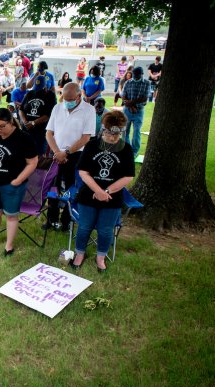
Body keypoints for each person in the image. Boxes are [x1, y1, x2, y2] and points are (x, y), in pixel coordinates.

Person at [70, 111, 135, 272]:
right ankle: (80, 253)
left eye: (116, 134)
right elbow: (83, 172)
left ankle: (100, 257)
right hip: (89, 194)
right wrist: (98, 191)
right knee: (84, 226)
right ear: (103, 129)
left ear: (122, 131)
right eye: (109, 133)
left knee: (105, 230)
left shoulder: (126, 149)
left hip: (112, 197)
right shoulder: (92, 145)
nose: (112, 137)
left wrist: (106, 191)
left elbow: (128, 176)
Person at [0, 107, 38, 256]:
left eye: (2, 126)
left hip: (12, 185)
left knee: (11, 216)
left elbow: (33, 162)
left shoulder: (24, 138)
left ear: (11, 122)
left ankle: (9, 246)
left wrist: (18, 180)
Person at [45, 82, 96, 230]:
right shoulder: (57, 107)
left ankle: (67, 220)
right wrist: (57, 152)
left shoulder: (89, 110)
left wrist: (66, 153)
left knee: (71, 188)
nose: (67, 102)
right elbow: (49, 133)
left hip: (75, 155)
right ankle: (51, 218)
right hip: (56, 153)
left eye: (70, 99)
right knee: (52, 187)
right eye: (64, 99)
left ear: (79, 96)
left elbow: (86, 137)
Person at [19, 75, 57, 155]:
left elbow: (49, 115)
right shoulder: (30, 93)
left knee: (38, 153)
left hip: (40, 131)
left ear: (45, 87)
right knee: (24, 151)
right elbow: (21, 109)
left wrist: (34, 122)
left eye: (39, 89)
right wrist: (25, 121)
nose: (37, 91)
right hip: (26, 129)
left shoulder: (51, 95)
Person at [121, 67, 150, 158]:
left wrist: (132, 103)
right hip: (127, 110)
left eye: (137, 75)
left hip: (139, 111)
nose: (135, 76)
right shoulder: (128, 82)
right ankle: (127, 149)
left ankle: (134, 151)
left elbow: (145, 98)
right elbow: (123, 95)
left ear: (142, 74)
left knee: (137, 131)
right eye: (134, 74)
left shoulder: (147, 83)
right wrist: (131, 106)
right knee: (125, 131)